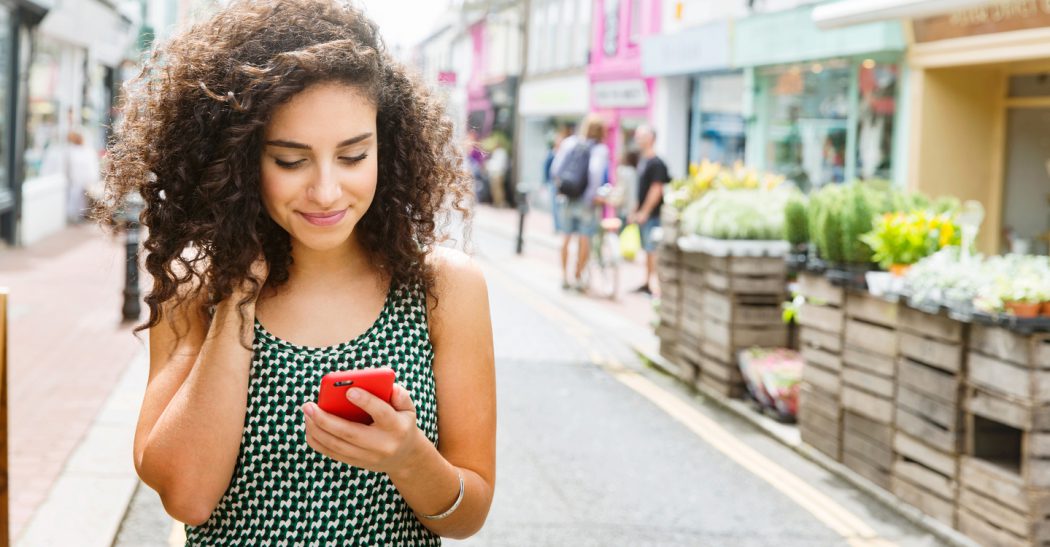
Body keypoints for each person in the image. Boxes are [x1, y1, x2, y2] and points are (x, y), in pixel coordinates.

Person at [97, 1, 496, 544]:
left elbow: (468, 516)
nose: (327, 191)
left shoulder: (444, 288)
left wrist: (410, 460)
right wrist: (238, 293)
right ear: (238, 159)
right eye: (290, 160)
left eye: (353, 156)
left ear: (389, 145)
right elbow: (188, 497)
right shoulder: (197, 287)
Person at [549, 114, 609, 291]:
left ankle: (564, 278)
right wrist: (591, 196)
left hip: (567, 197)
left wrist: (562, 188)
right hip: (586, 202)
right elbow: (596, 173)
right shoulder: (600, 149)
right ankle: (577, 277)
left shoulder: (570, 143)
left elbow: (555, 170)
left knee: (566, 238)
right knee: (585, 239)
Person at [629, 125, 669, 295]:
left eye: (642, 136)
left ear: (651, 138)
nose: (638, 139)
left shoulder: (657, 163)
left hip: (653, 215)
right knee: (647, 250)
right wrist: (635, 210)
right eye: (637, 136)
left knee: (653, 250)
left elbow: (656, 189)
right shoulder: (643, 161)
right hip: (643, 213)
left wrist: (645, 211)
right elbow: (641, 189)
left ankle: (655, 286)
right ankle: (647, 283)